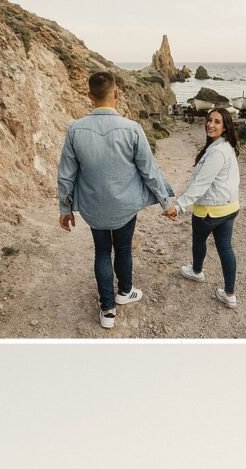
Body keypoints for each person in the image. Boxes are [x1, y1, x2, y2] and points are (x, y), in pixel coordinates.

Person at [58, 70, 175, 330]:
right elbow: (150, 171)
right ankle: (125, 291)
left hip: (93, 206)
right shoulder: (132, 129)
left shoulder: (75, 129)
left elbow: (66, 175)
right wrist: (166, 203)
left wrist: (65, 209)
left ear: (89, 95)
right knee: (122, 249)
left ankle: (107, 310)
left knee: (102, 251)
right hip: (125, 206)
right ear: (117, 94)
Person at [164, 107, 241, 308]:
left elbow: (201, 185)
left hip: (210, 210)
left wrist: (179, 206)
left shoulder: (217, 152)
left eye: (217, 122)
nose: (211, 124)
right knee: (225, 248)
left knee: (199, 241)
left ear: (225, 127)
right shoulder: (227, 146)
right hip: (229, 208)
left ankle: (197, 272)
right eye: (209, 120)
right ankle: (230, 294)